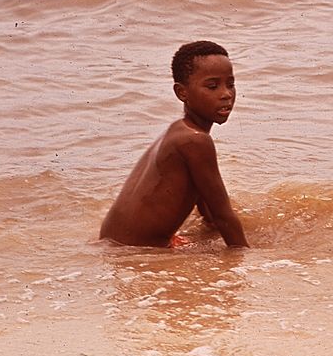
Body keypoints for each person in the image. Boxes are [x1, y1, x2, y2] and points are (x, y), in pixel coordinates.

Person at [99, 41, 249, 248]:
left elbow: (210, 210)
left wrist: (211, 226)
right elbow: (224, 217)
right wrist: (246, 261)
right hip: (135, 252)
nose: (226, 94)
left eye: (230, 84)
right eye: (212, 86)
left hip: (116, 243)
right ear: (182, 93)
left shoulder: (179, 130)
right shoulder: (195, 140)